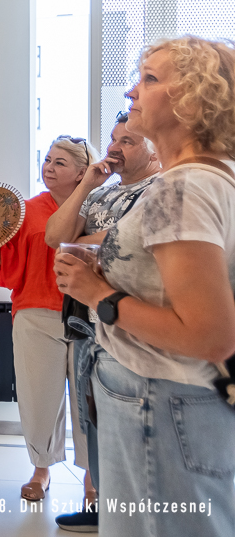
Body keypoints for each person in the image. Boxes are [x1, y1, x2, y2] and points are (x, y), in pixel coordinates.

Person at [55, 36, 235, 537]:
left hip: (158, 399)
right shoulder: (216, 177)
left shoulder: (180, 187)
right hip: (184, 398)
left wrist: (98, 294)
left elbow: (209, 335)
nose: (132, 91)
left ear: (193, 100)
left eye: (150, 79)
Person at [44, 113, 159, 532]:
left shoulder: (161, 188)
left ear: (154, 148)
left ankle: (136, 518)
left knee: (131, 431)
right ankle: (103, 510)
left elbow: (135, 240)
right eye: (112, 139)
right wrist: (87, 185)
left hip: (129, 324)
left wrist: (82, 242)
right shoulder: (101, 193)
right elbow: (55, 236)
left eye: (128, 141)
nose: (113, 148)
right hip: (87, 324)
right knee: (93, 422)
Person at [0, 137, 96, 503]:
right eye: (48, 160)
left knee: (90, 398)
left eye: (60, 162)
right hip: (35, 312)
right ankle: (41, 469)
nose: (49, 167)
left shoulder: (96, 210)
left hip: (87, 314)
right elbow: (0, 264)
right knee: (38, 397)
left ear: (81, 172)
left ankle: (93, 475)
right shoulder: (25, 211)